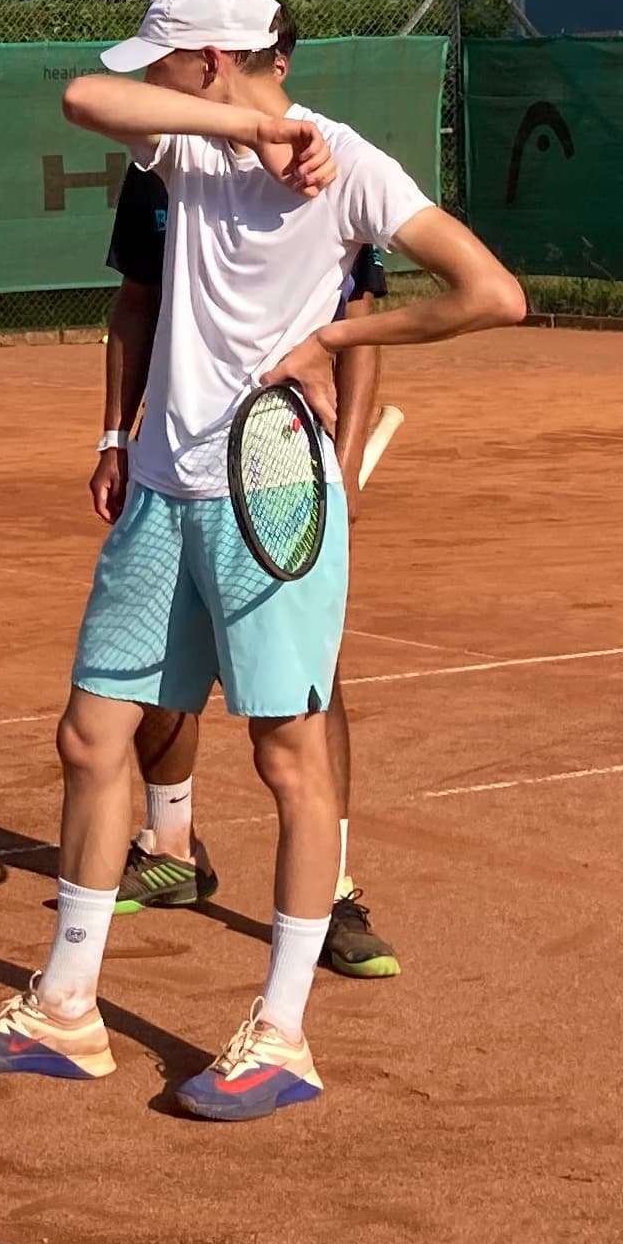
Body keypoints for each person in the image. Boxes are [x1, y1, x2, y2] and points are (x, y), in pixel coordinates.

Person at [0, 0, 523, 1121]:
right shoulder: (191, 147)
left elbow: (491, 292)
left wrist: (336, 336)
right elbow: (82, 95)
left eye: (166, 56)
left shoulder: (350, 162)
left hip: (269, 491)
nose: (148, 72)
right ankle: (67, 1007)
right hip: (163, 488)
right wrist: (254, 124)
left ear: (211, 54)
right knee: (92, 733)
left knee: (289, 757)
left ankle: (284, 1031)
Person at [94, 147, 402, 981]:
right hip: (170, 467)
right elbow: (135, 305)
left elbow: (362, 315)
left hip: (280, 469)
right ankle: (169, 847)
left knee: (309, 684)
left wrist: (338, 465)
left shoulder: (325, 165)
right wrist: (115, 435)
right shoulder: (156, 166)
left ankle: (331, 887)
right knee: (153, 668)